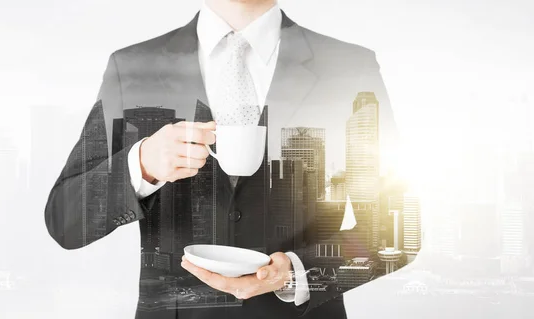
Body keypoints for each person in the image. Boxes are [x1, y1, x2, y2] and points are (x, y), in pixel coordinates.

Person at [45, 0, 400, 318]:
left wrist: (298, 271)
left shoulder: (349, 67)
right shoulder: (133, 67)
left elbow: (395, 230)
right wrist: (140, 165)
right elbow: (65, 221)